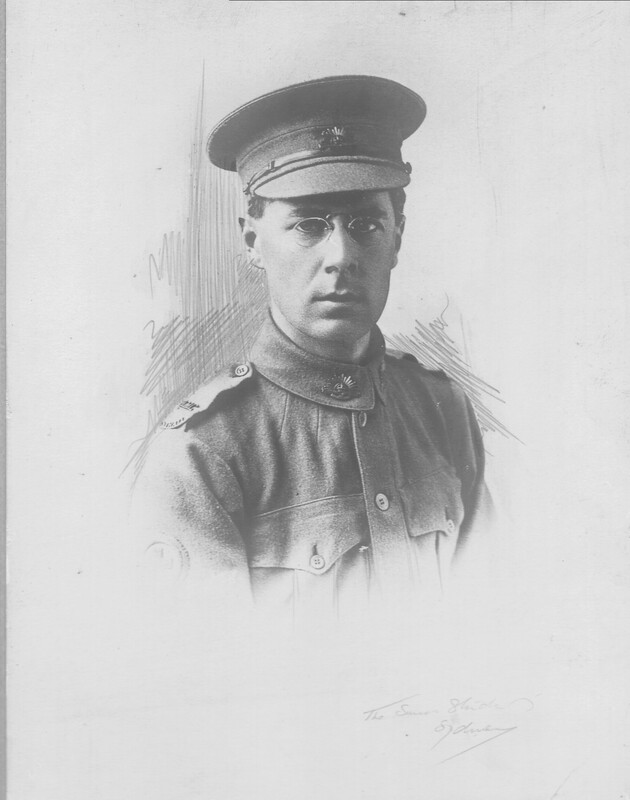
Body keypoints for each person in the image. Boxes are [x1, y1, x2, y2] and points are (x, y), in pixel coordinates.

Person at [132, 75, 492, 617]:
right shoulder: (201, 452)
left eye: (366, 224)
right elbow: (208, 661)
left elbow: (489, 615)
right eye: (308, 225)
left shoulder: (442, 408)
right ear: (253, 242)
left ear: (397, 237)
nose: (341, 256)